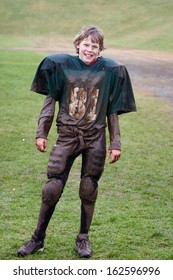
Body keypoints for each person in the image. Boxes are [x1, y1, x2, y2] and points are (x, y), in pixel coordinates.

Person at [17, 26, 136, 258]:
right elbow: (50, 102)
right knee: (51, 188)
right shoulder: (61, 67)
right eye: (86, 44)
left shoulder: (110, 71)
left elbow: (112, 110)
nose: (89, 49)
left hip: (95, 137)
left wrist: (116, 143)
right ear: (77, 44)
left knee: (88, 188)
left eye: (95, 46)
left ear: (100, 50)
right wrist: (41, 132)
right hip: (67, 135)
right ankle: (37, 239)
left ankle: (83, 238)